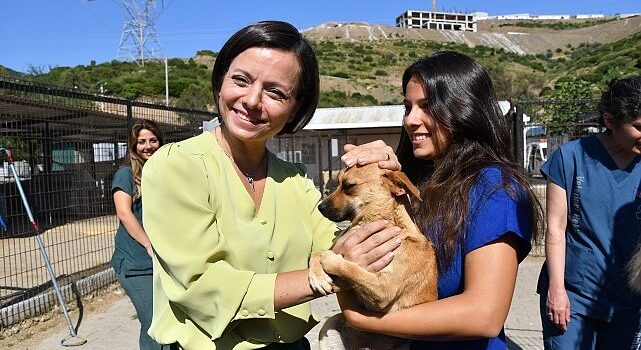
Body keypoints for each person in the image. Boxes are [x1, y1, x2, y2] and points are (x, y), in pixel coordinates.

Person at [141, 21, 401, 350]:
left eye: (276, 92)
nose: (252, 100)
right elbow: (202, 287)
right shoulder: (176, 166)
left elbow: (344, 245)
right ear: (220, 81)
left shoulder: (295, 180)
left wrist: (381, 182)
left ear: (295, 109)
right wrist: (322, 275)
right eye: (241, 80)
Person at [334, 51, 544, 350]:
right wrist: (382, 174)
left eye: (427, 106)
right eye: (408, 107)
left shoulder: (493, 188)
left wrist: (361, 320)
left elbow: (483, 315)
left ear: (464, 109)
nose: (411, 119)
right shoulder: (425, 180)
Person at [537, 76, 641, 349]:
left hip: (629, 302)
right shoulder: (570, 157)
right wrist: (557, 290)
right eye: (639, 126)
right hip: (574, 296)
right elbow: (556, 229)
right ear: (609, 121)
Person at [111, 118, 164, 350]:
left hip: (161, 263)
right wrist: (149, 244)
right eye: (141, 141)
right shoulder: (125, 174)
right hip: (135, 264)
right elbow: (124, 213)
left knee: (166, 322)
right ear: (133, 145)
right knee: (154, 323)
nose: (148, 146)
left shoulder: (160, 173)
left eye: (153, 140)